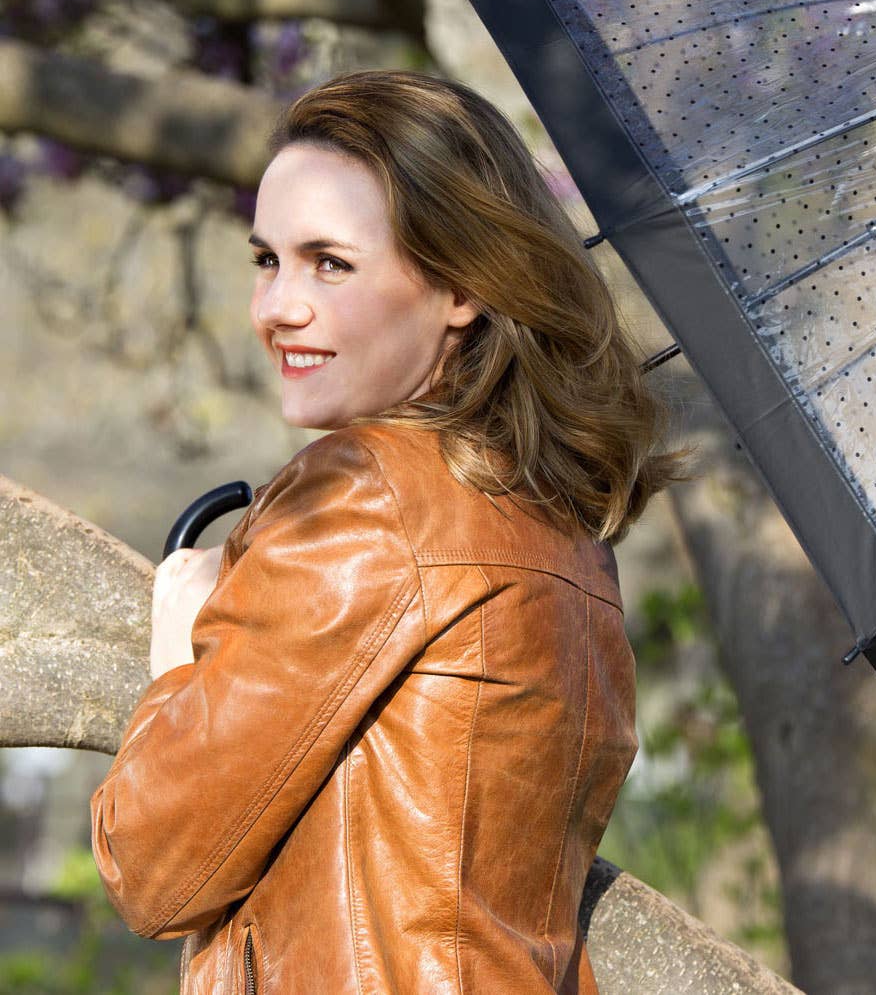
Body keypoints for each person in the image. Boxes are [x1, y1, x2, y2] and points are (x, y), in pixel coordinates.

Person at [89, 70, 693, 994]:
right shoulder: (567, 535)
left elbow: (152, 868)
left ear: (461, 285)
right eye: (267, 260)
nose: (277, 306)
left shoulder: (363, 495)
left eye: (331, 263)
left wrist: (179, 660)